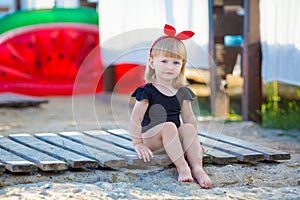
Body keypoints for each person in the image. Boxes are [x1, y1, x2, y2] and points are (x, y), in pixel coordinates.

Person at [129, 24, 212, 189]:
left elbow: (189, 117)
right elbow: (135, 118)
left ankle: (197, 168)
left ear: (182, 65)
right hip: (153, 138)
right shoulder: (147, 91)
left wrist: (194, 141)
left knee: (188, 128)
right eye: (164, 61)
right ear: (152, 63)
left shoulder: (182, 91)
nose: (170, 66)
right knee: (169, 127)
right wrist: (138, 143)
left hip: (174, 138)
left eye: (175, 62)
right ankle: (182, 166)